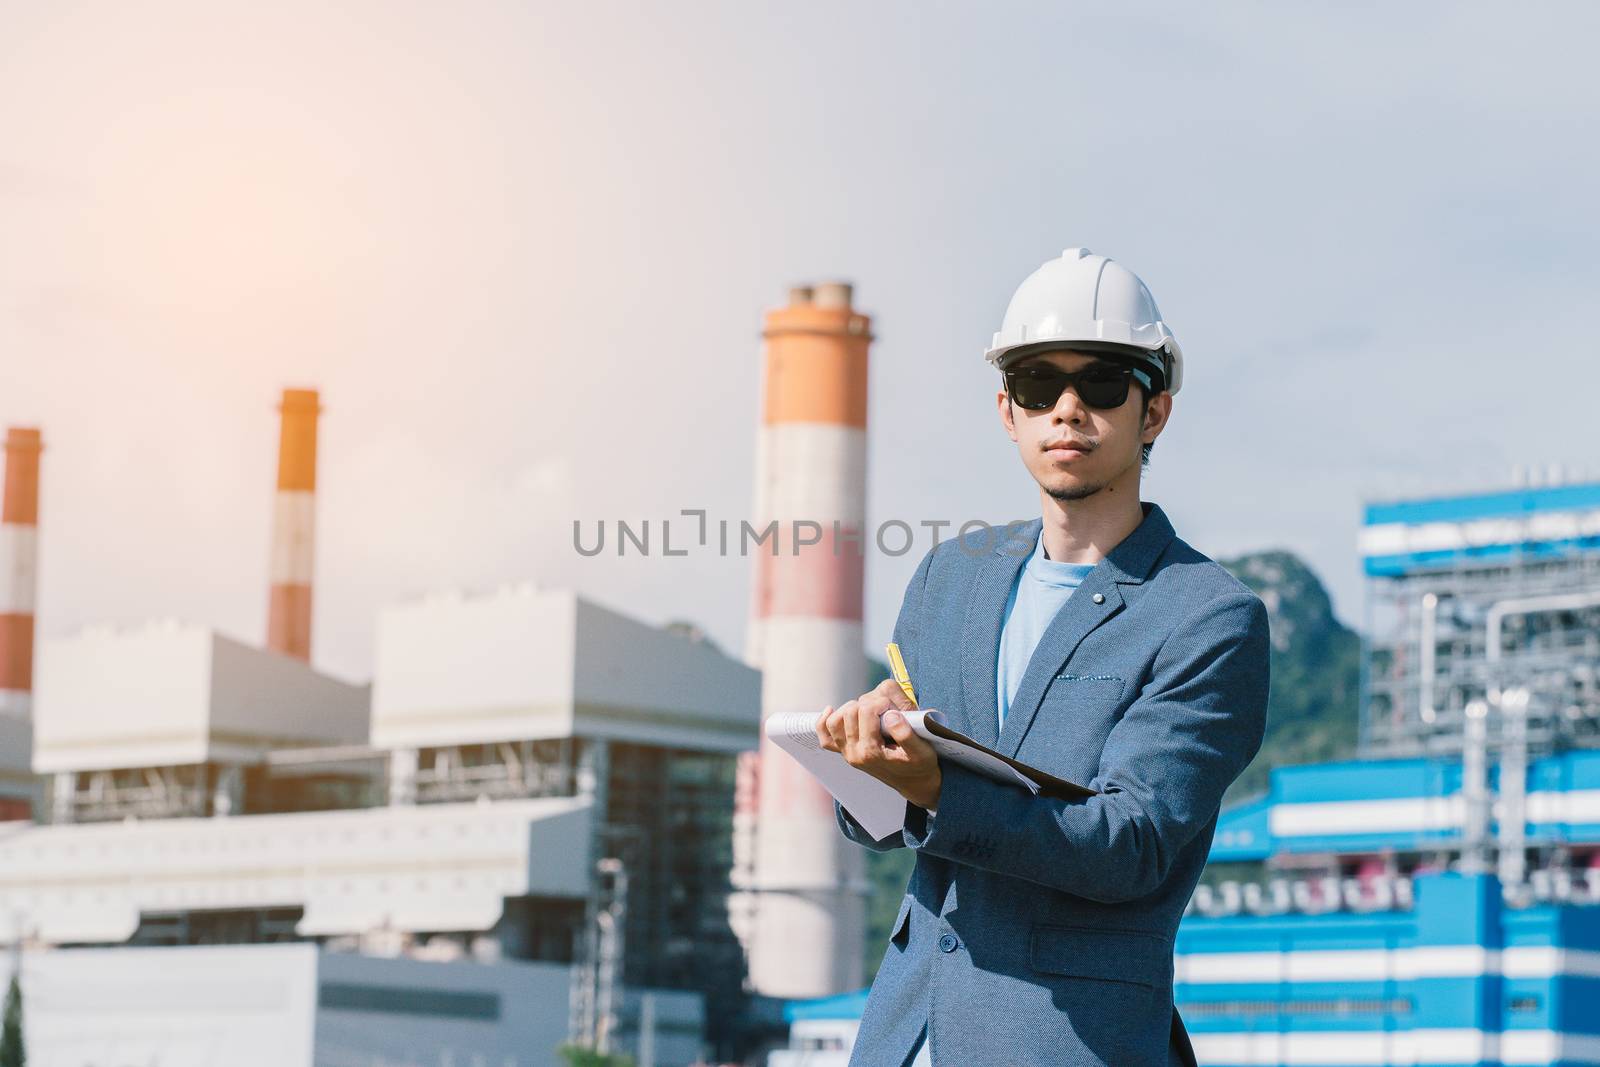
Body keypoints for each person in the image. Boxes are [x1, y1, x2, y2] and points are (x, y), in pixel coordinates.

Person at [816, 248, 1271, 1066]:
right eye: (1038, 384)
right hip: (903, 1037)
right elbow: (894, 825)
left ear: (1155, 412)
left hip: (1070, 1044)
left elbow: (1129, 844)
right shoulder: (947, 578)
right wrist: (868, 763)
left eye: (1102, 382)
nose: (1067, 408)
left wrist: (937, 788)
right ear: (1007, 410)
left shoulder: (1209, 617)